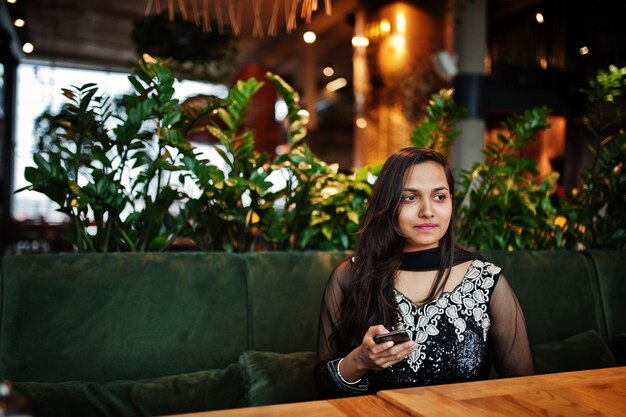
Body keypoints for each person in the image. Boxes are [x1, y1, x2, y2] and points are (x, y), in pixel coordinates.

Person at [314, 147, 534, 398]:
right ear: (387, 204)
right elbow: (322, 384)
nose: (427, 211)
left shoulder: (485, 280)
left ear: (451, 200)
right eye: (410, 198)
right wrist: (359, 361)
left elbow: (523, 384)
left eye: (439, 197)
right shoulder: (351, 276)